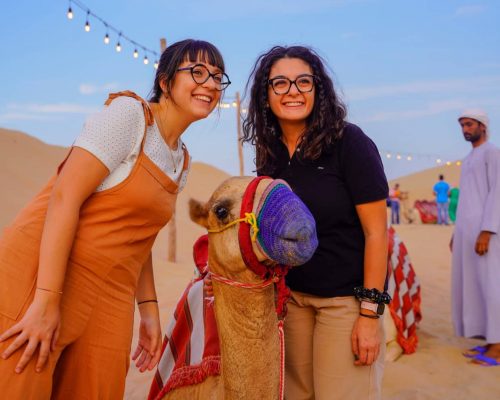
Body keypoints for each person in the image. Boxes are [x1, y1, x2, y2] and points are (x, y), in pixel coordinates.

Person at [0, 39, 230, 398]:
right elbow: (65, 195)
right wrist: (45, 302)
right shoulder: (129, 116)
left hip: (110, 297)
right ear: (166, 82)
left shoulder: (181, 160)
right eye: (197, 72)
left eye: (218, 77)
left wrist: (149, 309)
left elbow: (139, 236)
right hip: (44, 274)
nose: (211, 84)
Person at [243, 46, 389, 399]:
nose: (292, 90)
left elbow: (377, 232)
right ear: (266, 94)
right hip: (292, 302)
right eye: (279, 83)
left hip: (345, 302)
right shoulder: (270, 154)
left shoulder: (349, 142)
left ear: (318, 89)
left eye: (303, 81)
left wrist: (369, 314)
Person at [451, 109, 500, 366]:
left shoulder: (492, 152)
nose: (465, 129)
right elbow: (467, 199)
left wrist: (488, 230)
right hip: (467, 232)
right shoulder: (470, 157)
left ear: (482, 125)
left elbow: (497, 193)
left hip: (486, 234)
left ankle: (498, 348)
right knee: (476, 286)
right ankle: (490, 340)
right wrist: (455, 232)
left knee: (492, 286)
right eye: (462, 125)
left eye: (469, 124)